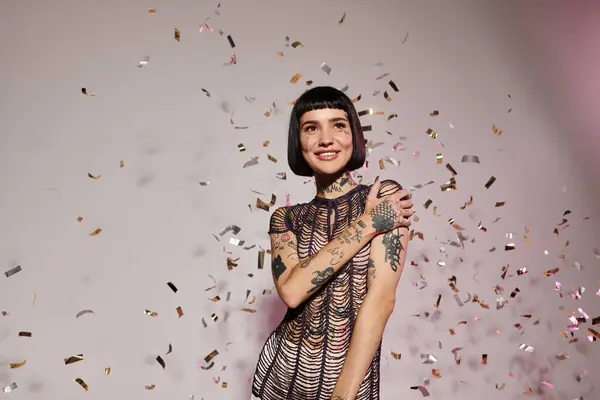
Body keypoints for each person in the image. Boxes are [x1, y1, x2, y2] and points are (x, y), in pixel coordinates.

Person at [251, 86, 414, 400]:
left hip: (349, 386)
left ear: (353, 134)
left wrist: (343, 395)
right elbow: (293, 291)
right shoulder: (285, 219)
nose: (325, 139)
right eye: (311, 128)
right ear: (299, 142)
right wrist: (369, 223)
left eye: (338, 125)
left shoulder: (384, 196)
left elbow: (381, 301)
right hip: (281, 379)